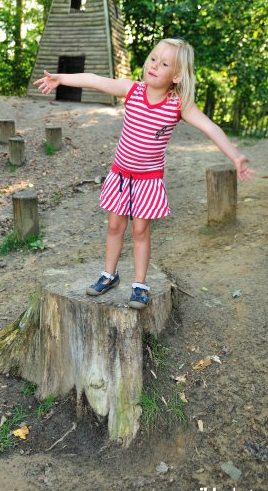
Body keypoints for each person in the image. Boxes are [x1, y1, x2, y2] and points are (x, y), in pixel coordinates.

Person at [34, 38, 254, 309]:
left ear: (176, 75)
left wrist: (235, 155)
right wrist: (61, 78)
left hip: (148, 181)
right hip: (121, 176)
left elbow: (210, 127)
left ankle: (139, 284)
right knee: (115, 226)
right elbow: (94, 79)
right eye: (153, 58)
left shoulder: (178, 104)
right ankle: (109, 274)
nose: (154, 66)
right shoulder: (132, 90)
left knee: (140, 231)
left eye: (164, 64)